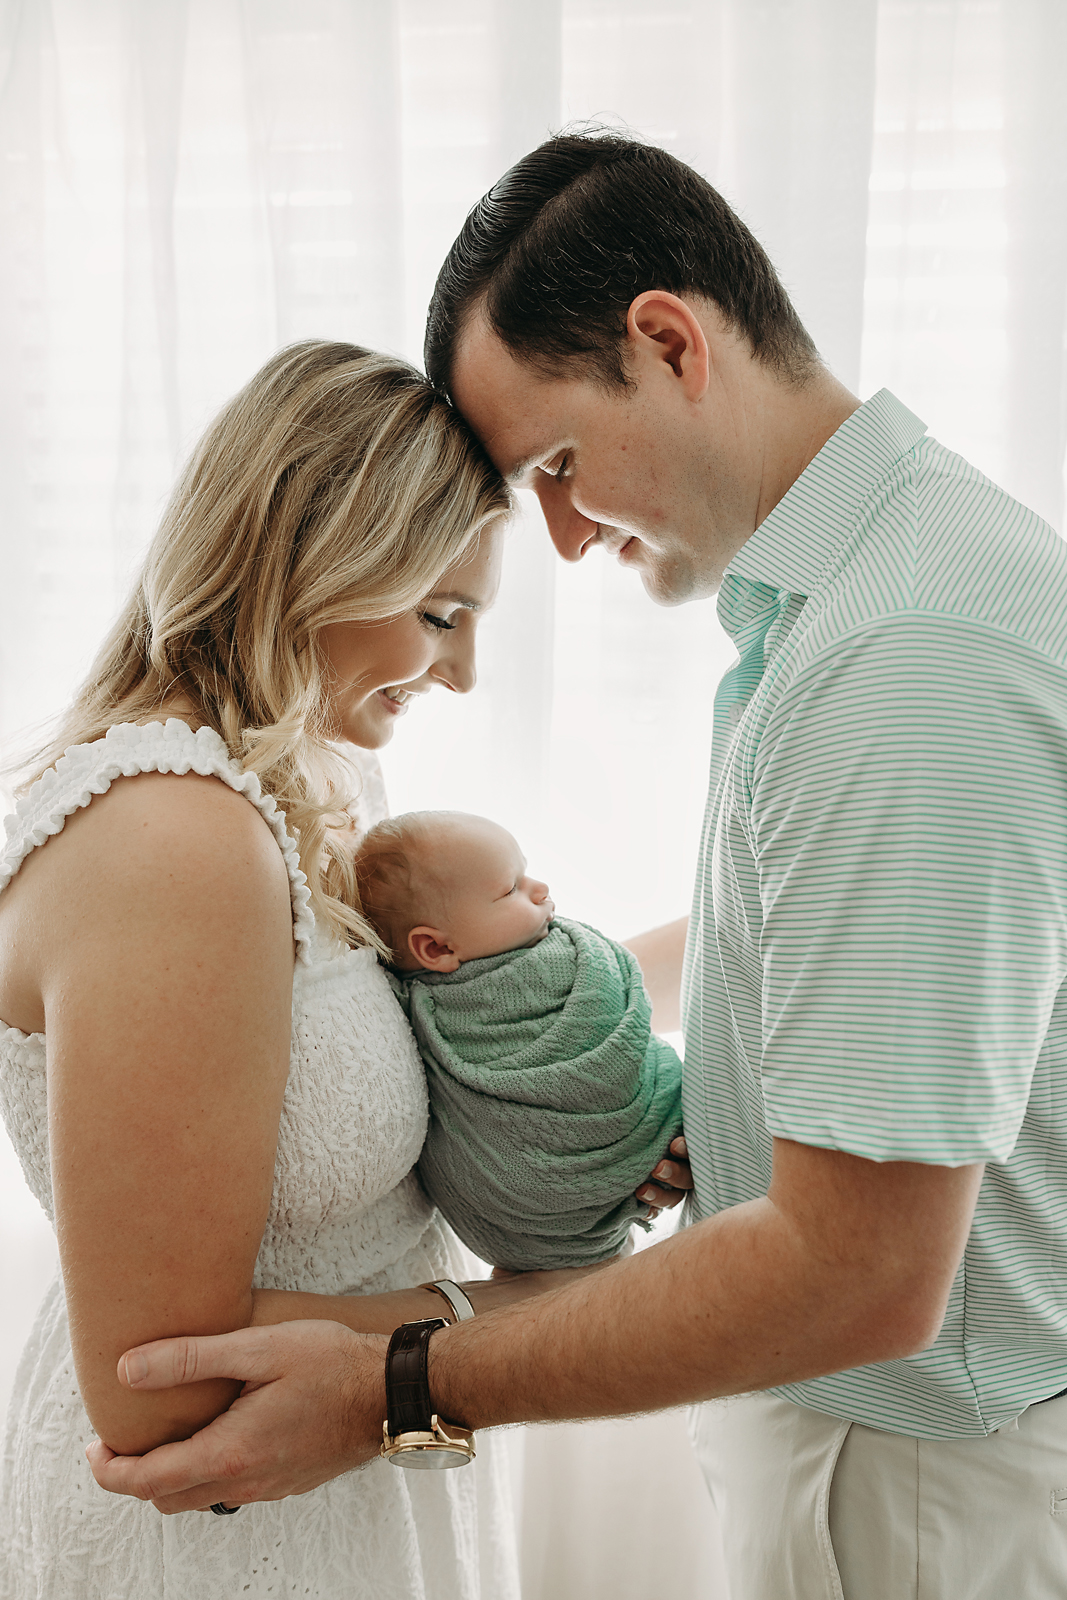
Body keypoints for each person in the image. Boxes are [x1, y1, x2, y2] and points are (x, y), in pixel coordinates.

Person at [86, 131, 1067, 1598]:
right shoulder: (858, 600)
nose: (556, 531)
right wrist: (584, 1002)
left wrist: (394, 1385)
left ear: (668, 342)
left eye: (553, 465)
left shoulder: (902, 657)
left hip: (915, 1489)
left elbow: (858, 1268)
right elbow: (800, 939)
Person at [0, 338, 654, 1600]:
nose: (458, 671)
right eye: (437, 616)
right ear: (313, 562)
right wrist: (512, 1314)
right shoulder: (172, 834)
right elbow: (158, 1378)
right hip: (224, 1533)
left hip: (352, 1485)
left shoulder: (310, 783)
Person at [355, 810, 683, 1269]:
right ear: (437, 949)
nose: (541, 889)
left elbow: (616, 1033)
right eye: (511, 889)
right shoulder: (431, 1015)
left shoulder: (561, 957)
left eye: (525, 872)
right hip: (536, 1207)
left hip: (639, 1160)